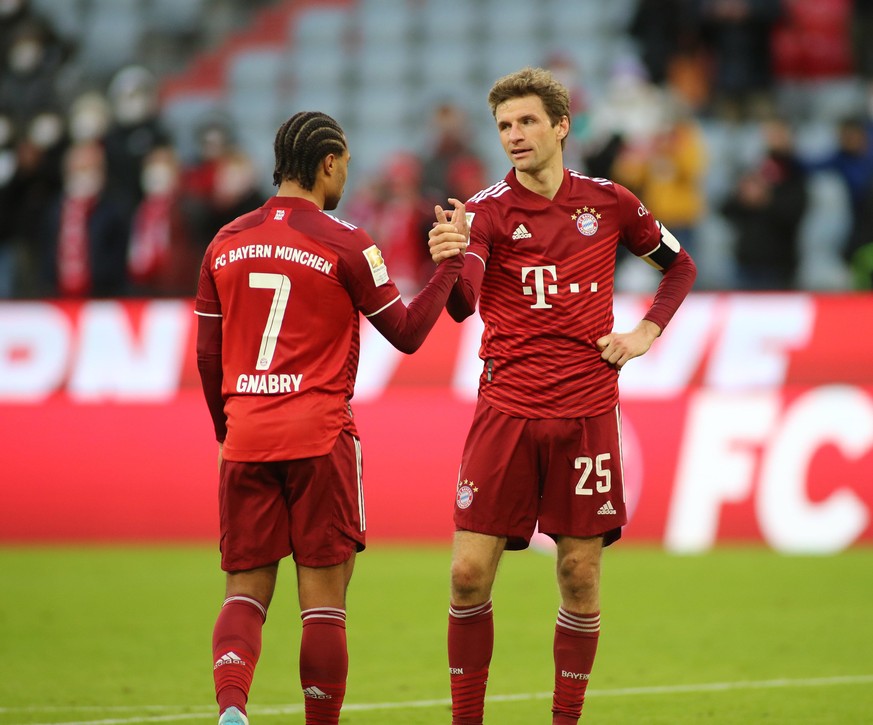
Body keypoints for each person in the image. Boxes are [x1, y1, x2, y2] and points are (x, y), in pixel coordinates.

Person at [426, 67, 697, 725]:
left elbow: (678, 265)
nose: (513, 136)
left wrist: (643, 332)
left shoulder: (609, 203)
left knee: (578, 576)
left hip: (585, 414)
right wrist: (448, 260)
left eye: (524, 122)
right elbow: (464, 305)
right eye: (503, 126)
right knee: (466, 573)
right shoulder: (486, 212)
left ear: (559, 126)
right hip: (507, 412)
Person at [194, 110, 467, 725]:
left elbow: (208, 356)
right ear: (327, 163)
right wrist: (450, 262)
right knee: (323, 605)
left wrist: (223, 430)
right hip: (319, 438)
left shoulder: (224, 242)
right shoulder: (348, 243)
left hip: (246, 438)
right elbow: (407, 333)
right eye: (343, 163)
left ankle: (232, 708)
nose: (347, 173)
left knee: (244, 592)